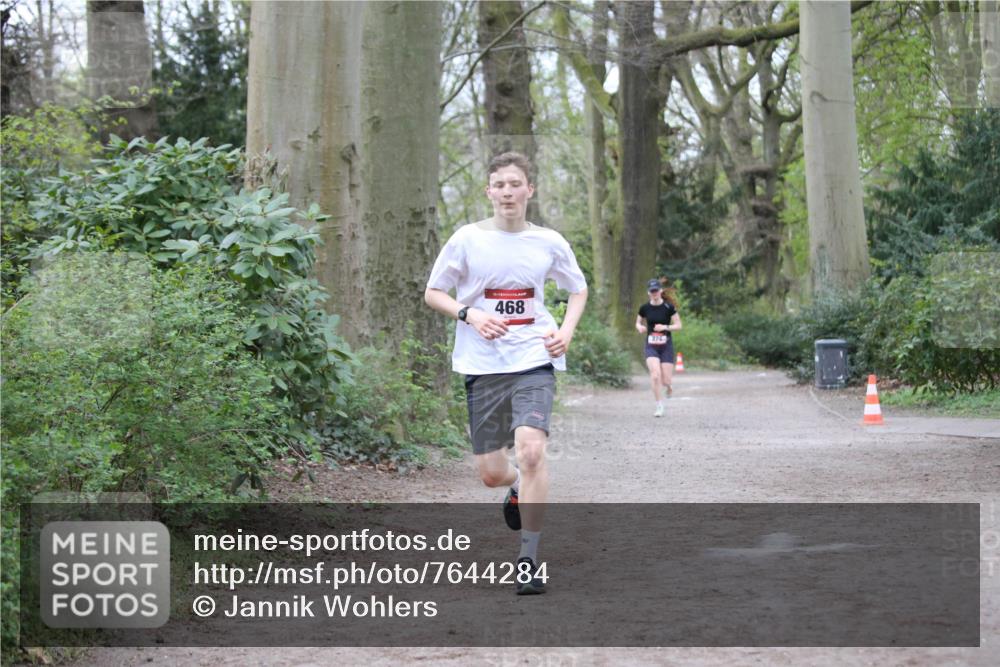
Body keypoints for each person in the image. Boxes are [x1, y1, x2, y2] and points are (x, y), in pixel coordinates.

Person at [424, 151, 588, 595]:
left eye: (516, 183)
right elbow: (433, 292)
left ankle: (529, 560)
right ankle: (514, 487)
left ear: (529, 189)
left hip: (534, 359)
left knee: (532, 453)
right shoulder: (466, 239)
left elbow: (578, 288)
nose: (507, 192)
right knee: (492, 473)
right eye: (499, 184)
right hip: (482, 364)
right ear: (489, 191)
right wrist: (469, 315)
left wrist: (566, 332)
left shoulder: (549, 241)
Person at [635, 278, 682, 417]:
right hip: (651, 345)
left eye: (656, 290)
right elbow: (637, 322)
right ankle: (659, 405)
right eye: (652, 291)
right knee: (655, 375)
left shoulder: (669, 307)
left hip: (666, 345)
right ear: (648, 293)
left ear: (660, 291)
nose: (654, 293)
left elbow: (679, 325)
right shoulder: (644, 308)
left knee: (665, 380)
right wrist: (640, 327)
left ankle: (669, 386)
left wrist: (665, 327)